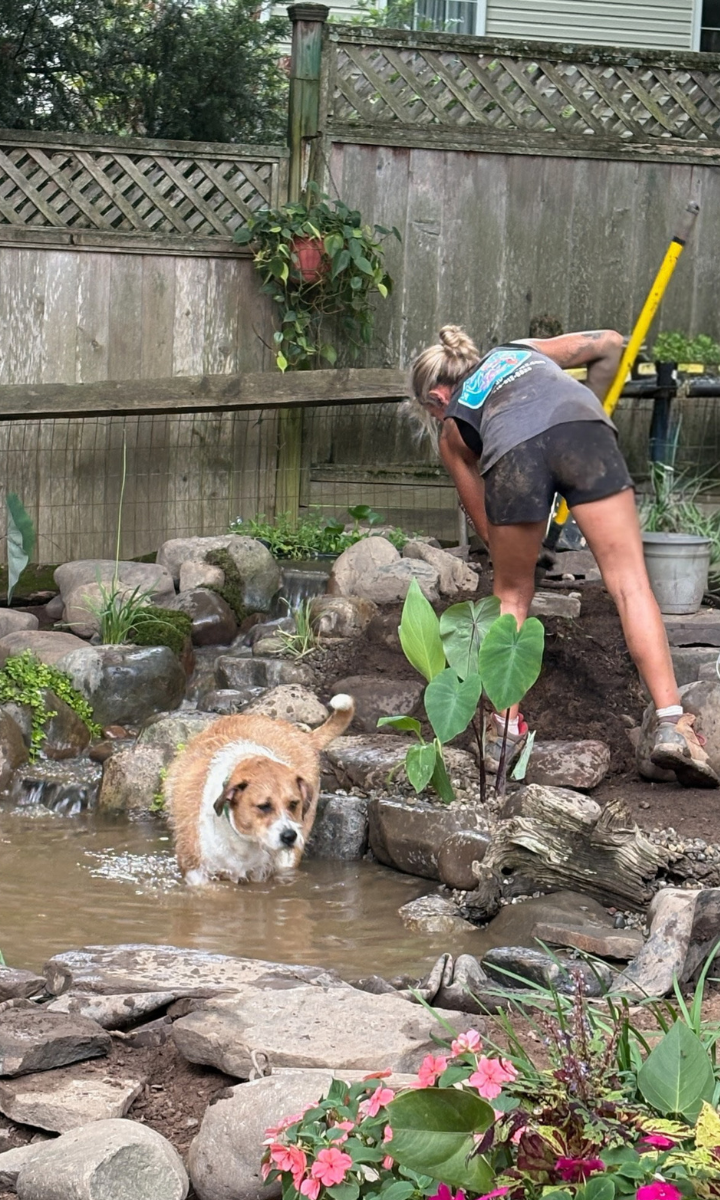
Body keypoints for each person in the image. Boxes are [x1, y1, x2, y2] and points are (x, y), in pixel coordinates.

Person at [406, 324, 719, 788]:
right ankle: (672, 723)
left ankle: (504, 733)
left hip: (515, 451)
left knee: (510, 595)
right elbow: (611, 342)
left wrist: (530, 547)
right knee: (631, 584)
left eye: (430, 412)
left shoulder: (453, 426)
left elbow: (490, 534)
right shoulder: (517, 351)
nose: (436, 418)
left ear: (437, 396)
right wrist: (586, 401)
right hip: (584, 427)